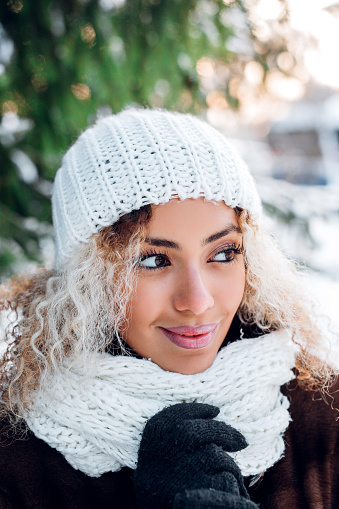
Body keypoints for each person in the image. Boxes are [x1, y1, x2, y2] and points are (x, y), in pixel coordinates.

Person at [0, 108, 338, 509]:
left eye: (224, 253)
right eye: (153, 260)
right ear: (84, 281)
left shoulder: (322, 413)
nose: (197, 301)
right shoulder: (18, 455)